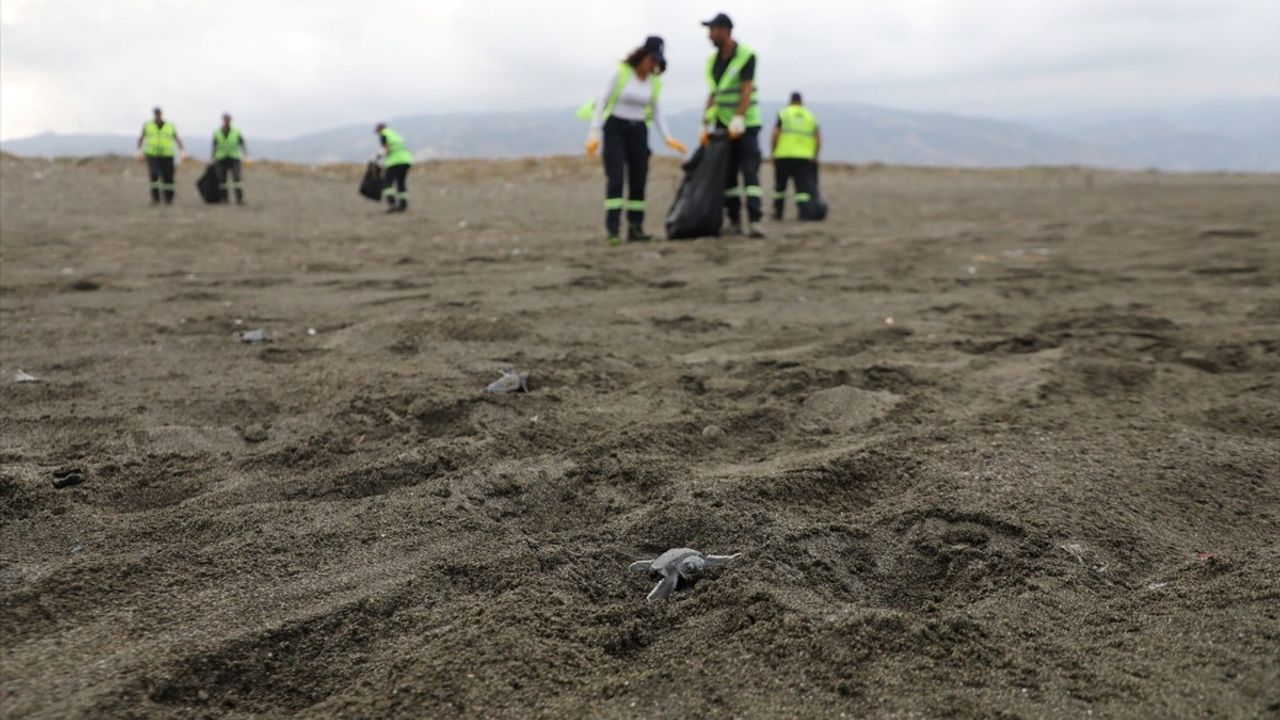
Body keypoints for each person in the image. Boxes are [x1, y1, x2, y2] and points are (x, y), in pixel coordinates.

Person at [586, 36, 686, 246]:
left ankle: (635, 228)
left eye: (656, 62)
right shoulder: (622, 73)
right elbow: (601, 100)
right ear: (642, 56)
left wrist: (668, 138)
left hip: (639, 131)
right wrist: (594, 132)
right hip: (615, 128)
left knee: (638, 180)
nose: (653, 65)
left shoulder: (654, 83)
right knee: (616, 179)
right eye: (651, 59)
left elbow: (657, 112)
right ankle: (613, 230)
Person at [701, 13, 766, 238]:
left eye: (713, 30)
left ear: (726, 30)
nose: (710, 34)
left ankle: (756, 220)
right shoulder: (712, 61)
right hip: (722, 124)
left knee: (750, 171)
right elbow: (714, 92)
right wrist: (706, 119)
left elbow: (746, 89)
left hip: (746, 123)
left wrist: (739, 117)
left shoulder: (746, 56)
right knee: (728, 174)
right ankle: (734, 220)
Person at [771, 92, 821, 220]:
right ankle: (804, 214)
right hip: (804, 156)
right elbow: (818, 137)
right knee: (802, 188)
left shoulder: (784, 113)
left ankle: (778, 213)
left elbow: (775, 134)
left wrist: (773, 151)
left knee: (780, 187)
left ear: (790, 101)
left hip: (783, 155)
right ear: (802, 101)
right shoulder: (810, 116)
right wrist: (815, 154)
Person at [136, 107, 185, 205]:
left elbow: (176, 138)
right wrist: (139, 151)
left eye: (158, 114)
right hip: (152, 154)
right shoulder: (148, 125)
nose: (157, 116)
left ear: (161, 114)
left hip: (167, 155)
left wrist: (182, 151)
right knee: (154, 174)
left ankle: (169, 198)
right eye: (156, 114)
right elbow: (141, 137)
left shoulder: (170, 126)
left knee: (168, 177)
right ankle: (155, 198)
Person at [212, 113, 250, 204]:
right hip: (221, 158)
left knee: (237, 179)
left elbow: (242, 143)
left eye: (228, 120)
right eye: (225, 120)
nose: (226, 122)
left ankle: (239, 198)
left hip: (234, 158)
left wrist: (246, 155)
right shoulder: (217, 132)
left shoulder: (236, 132)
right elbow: (214, 146)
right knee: (222, 180)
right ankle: (224, 198)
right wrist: (213, 158)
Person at [375, 123, 412, 213]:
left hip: (394, 161)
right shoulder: (394, 134)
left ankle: (392, 204)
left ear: (379, 130)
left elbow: (387, 149)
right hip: (406, 160)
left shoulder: (384, 135)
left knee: (387, 183)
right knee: (401, 182)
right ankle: (403, 205)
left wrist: (378, 157)